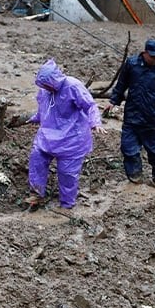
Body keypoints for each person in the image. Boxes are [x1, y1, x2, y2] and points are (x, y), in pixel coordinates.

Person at [26, 59, 103, 209]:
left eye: (48, 84)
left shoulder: (73, 86)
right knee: (37, 159)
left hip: (72, 138)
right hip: (48, 135)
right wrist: (36, 118)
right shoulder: (45, 90)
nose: (46, 87)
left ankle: (67, 204)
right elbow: (45, 107)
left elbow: (90, 105)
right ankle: (36, 194)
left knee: (67, 173)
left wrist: (95, 122)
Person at [104, 39, 155, 187]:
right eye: (152, 56)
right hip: (132, 116)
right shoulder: (131, 65)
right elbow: (121, 85)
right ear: (145, 53)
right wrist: (113, 101)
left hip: (152, 119)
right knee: (128, 148)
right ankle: (135, 174)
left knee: (154, 152)